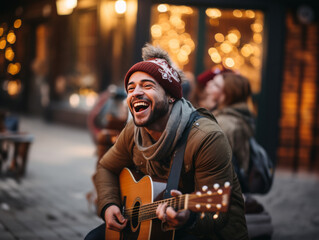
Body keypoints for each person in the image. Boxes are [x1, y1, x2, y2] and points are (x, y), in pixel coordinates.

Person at [85, 44, 248, 240]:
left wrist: (188, 218)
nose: (135, 92)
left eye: (147, 85)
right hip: (150, 225)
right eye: (131, 88)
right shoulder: (134, 130)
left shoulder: (206, 138)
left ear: (171, 96)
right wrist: (109, 205)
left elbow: (219, 216)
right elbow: (106, 167)